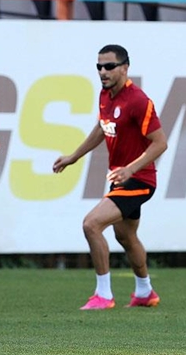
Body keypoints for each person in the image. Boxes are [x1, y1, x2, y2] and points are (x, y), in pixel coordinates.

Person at [53, 44, 168, 310]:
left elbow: (160, 143)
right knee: (126, 236)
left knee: (91, 224)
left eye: (109, 66)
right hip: (121, 178)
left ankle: (103, 295)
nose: (103, 71)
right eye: (99, 66)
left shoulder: (138, 100)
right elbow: (101, 127)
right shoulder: (106, 95)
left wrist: (131, 169)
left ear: (125, 68)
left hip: (138, 180)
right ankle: (145, 292)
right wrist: (73, 157)